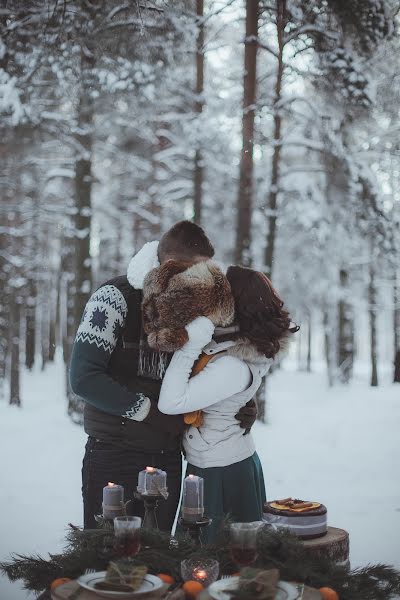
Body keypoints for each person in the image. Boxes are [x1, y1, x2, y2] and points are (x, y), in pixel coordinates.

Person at [69, 221, 257, 530]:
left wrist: (241, 404)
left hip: (169, 456)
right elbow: (84, 378)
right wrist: (151, 413)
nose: (201, 281)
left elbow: (211, 371)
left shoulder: (196, 308)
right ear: (169, 265)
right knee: (110, 564)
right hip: (114, 454)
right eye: (193, 272)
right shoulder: (113, 298)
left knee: (159, 564)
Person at [158, 265, 298, 542]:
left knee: (213, 561)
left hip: (220, 470)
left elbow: (171, 402)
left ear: (234, 306)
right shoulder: (233, 348)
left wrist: (189, 344)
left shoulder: (233, 365)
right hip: (220, 460)